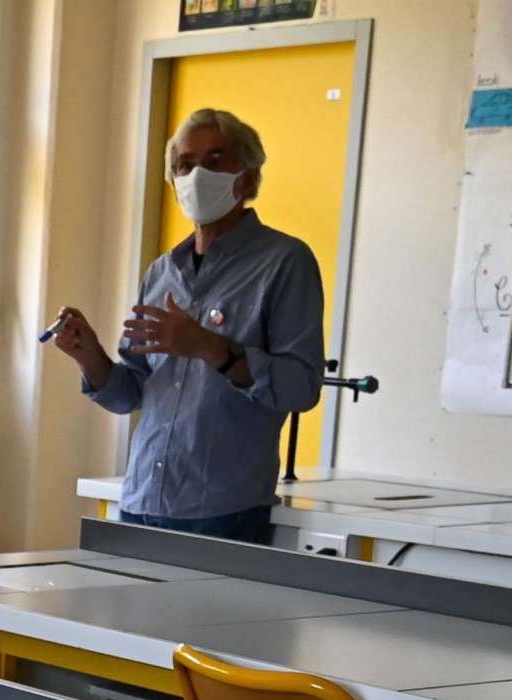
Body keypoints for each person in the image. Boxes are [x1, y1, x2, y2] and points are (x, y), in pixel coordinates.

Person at [51, 107, 324, 545]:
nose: (197, 175)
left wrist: (211, 348)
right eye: (185, 165)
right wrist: (89, 355)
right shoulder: (163, 271)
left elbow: (301, 387)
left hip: (224, 509)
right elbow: (132, 393)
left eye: (215, 162)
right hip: (143, 498)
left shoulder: (284, 263)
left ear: (250, 178)